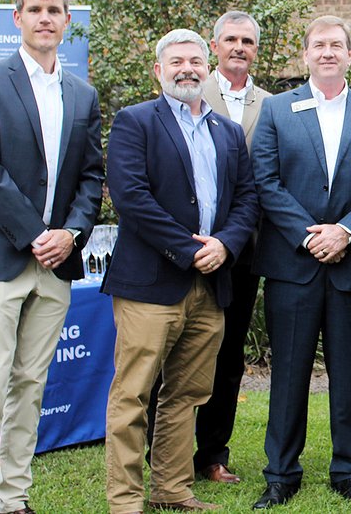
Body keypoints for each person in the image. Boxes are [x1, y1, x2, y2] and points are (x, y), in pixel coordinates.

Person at [0, 0, 104, 514]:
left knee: (31, 385)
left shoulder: (82, 94)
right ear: (18, 18)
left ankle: (13, 498)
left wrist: (71, 234)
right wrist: (38, 235)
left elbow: (91, 177)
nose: (45, 18)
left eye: (54, 9)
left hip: (57, 264)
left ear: (67, 20)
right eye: (35, 9)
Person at [103, 28, 258, 514]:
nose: (187, 69)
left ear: (207, 69)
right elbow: (131, 197)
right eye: (176, 62)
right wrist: (189, 250)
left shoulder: (227, 132)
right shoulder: (135, 122)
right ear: (158, 70)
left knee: (187, 394)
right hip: (150, 284)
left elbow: (246, 198)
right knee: (134, 394)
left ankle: (171, 488)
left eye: (194, 61)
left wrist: (225, 245)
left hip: (210, 285)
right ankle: (126, 499)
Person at [250, 16, 351, 508]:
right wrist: (309, 235)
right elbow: (265, 180)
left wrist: (346, 231)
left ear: (350, 54)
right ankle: (280, 474)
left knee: (349, 375)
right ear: (306, 54)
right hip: (293, 266)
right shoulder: (277, 109)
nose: (328, 52)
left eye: (337, 44)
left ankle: (350, 471)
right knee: (288, 374)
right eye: (319, 45)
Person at [145, 11, 270, 484]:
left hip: (240, 249)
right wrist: (186, 245)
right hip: (179, 250)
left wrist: (230, 242)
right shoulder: (188, 88)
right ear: (214, 48)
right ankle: (161, 452)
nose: (239, 47)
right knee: (169, 354)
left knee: (228, 355)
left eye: (247, 41)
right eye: (230, 39)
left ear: (256, 50)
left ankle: (213, 453)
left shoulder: (273, 105)